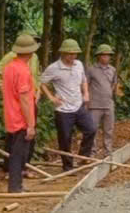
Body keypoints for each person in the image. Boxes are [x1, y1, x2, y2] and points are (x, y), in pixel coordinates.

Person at [40, 38, 96, 171]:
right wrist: (51, 97)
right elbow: (41, 82)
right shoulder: (54, 68)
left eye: (75, 53)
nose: (73, 56)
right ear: (63, 53)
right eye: (70, 53)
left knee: (91, 129)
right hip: (63, 110)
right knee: (65, 139)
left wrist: (86, 93)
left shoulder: (79, 64)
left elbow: (83, 80)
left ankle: (83, 156)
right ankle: (68, 167)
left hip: (78, 106)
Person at [1, 32, 40, 193]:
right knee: (18, 155)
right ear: (31, 53)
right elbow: (25, 100)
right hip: (20, 118)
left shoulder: (9, 67)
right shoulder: (23, 71)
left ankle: (17, 185)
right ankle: (15, 187)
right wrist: (30, 125)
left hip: (11, 116)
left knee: (14, 152)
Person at [86, 43, 119, 157]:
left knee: (109, 130)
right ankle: (92, 152)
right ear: (98, 56)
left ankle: (108, 151)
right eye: (104, 55)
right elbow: (85, 85)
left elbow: (114, 83)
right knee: (93, 129)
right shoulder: (91, 70)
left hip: (108, 104)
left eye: (108, 55)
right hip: (95, 105)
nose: (106, 57)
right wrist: (86, 101)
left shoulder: (113, 69)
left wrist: (109, 93)